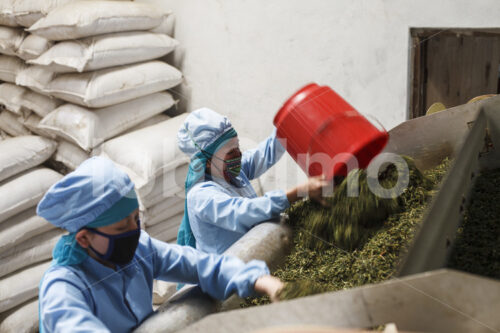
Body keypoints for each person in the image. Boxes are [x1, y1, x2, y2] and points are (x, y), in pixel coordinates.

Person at [37, 157, 283, 332]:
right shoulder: (63, 287)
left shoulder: (140, 249)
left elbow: (200, 265)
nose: (134, 232)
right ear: (84, 238)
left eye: (136, 219)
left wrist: (263, 282)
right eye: (122, 227)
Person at [177, 108, 328, 254]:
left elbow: (264, 153)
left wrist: (288, 123)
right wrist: (298, 192)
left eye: (237, 146)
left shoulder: (231, 172)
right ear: (208, 161)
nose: (238, 154)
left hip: (254, 250)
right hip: (227, 270)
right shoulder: (200, 196)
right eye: (230, 152)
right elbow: (243, 212)